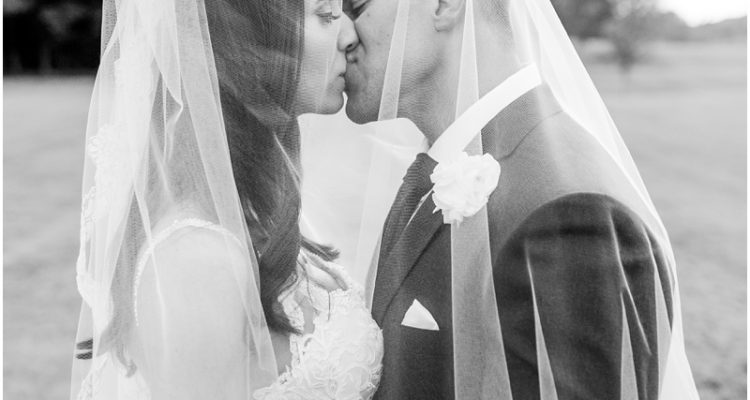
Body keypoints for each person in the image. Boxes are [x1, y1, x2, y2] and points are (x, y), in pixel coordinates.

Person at [343, 0, 700, 399]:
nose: (342, 34)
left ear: (443, 5)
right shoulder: (438, 170)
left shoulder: (572, 218)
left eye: (356, 6)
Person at [70, 0, 384, 399]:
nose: (350, 35)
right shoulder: (198, 259)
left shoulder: (251, 212)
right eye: (325, 15)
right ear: (248, 40)